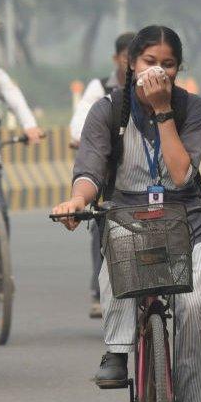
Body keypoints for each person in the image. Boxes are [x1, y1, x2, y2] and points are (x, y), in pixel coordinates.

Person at [52, 25, 201, 402]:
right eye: (149, 62)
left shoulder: (192, 109)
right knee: (117, 257)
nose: (157, 71)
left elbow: (184, 175)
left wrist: (164, 112)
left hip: (187, 219)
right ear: (130, 64)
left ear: (179, 69)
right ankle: (118, 349)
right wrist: (77, 200)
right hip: (128, 214)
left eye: (167, 64)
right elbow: (89, 169)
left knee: (194, 309)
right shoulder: (107, 110)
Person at [68, 31, 134, 319]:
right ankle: (100, 290)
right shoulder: (102, 90)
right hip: (111, 168)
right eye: (128, 58)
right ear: (117, 59)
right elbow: (82, 117)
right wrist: (83, 136)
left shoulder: (165, 94)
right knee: (101, 225)